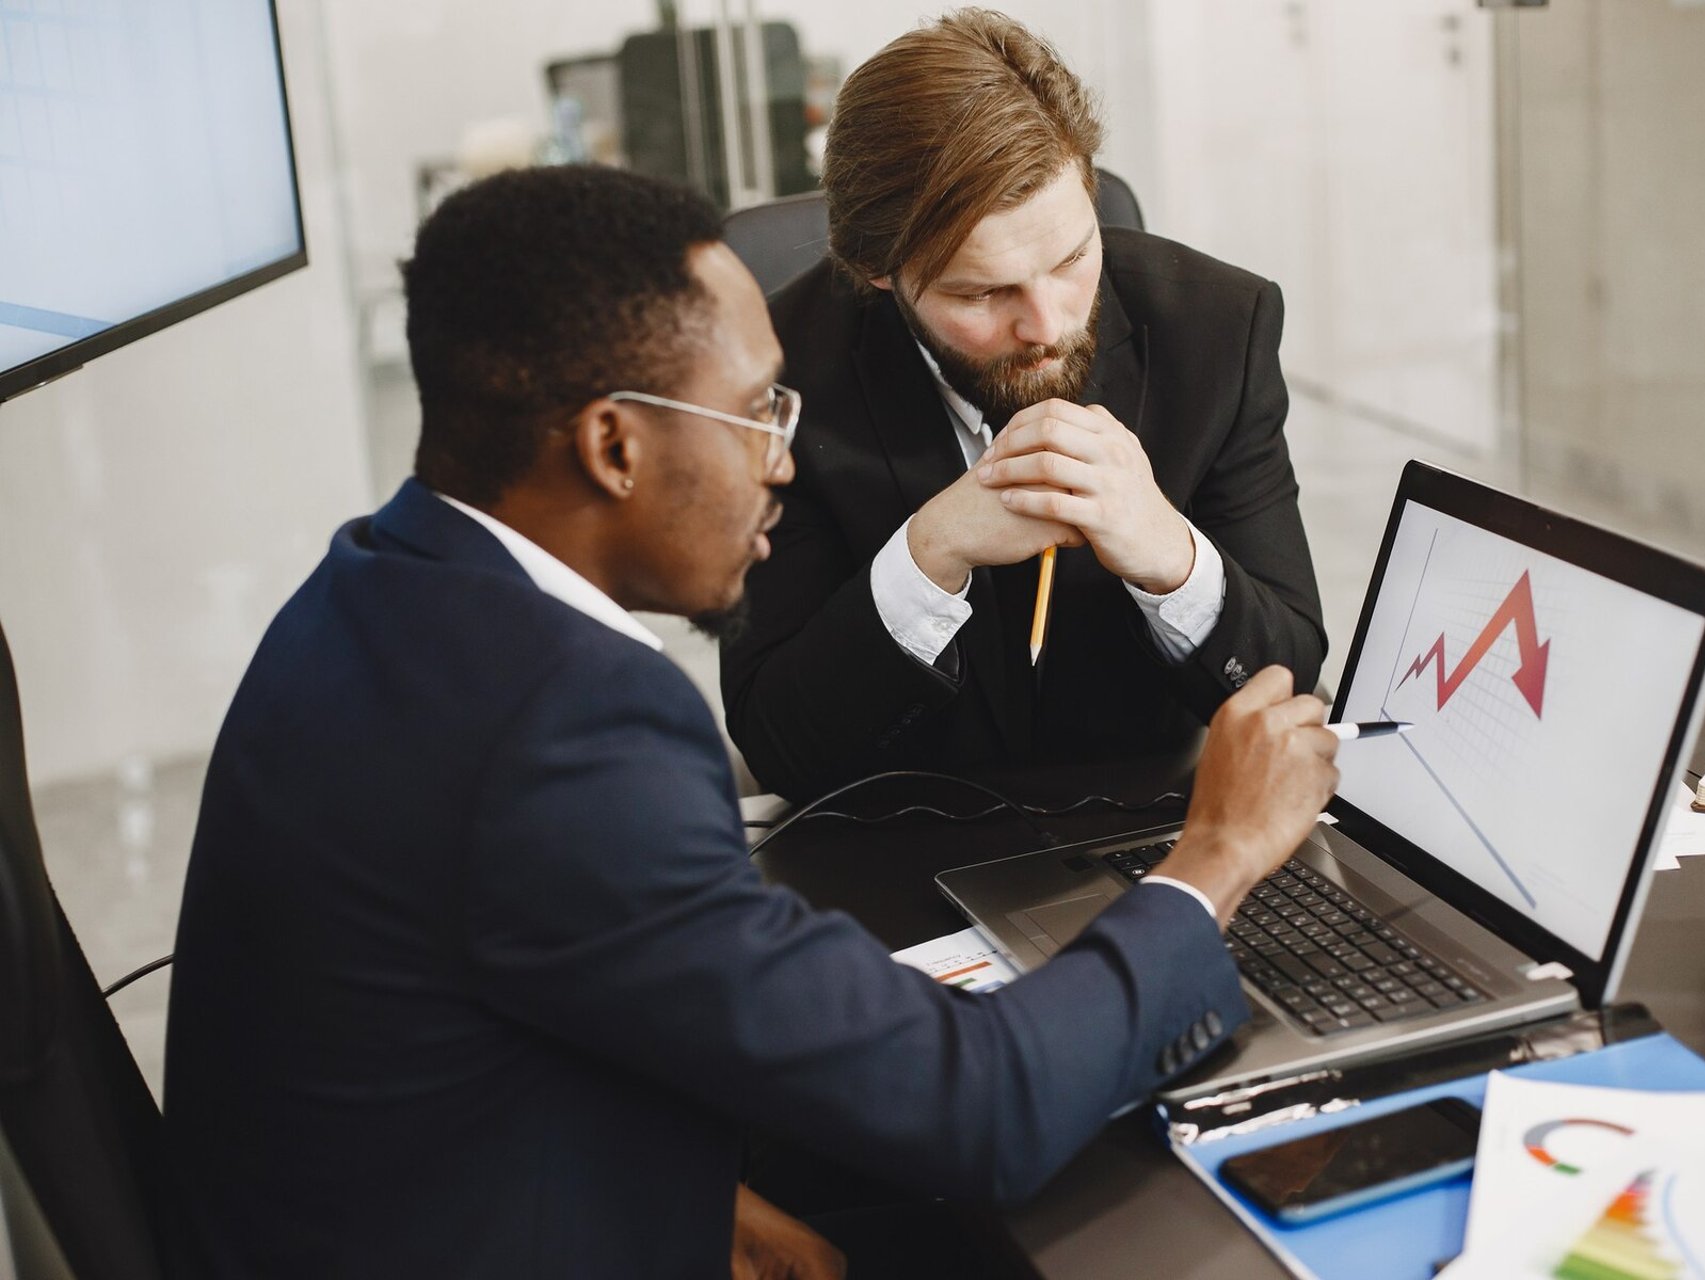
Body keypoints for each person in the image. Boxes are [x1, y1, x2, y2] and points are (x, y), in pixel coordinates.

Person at [160, 165, 1339, 1279]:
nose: (783, 460)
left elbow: (474, 1020)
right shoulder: (565, 730)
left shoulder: (378, 586)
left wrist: (693, 1188)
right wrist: (1215, 857)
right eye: (752, 413)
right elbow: (983, 1106)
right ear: (614, 443)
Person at [719, 9, 1326, 802]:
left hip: (1148, 823)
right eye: (983, 292)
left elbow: (1288, 688)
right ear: (877, 270)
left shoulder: (1216, 328)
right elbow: (781, 746)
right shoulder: (777, 371)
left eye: (1073, 257)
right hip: (887, 846)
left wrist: (1169, 554)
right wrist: (927, 555)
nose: (1048, 325)